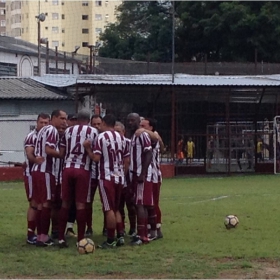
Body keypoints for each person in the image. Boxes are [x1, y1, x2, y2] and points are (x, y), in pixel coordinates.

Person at [84, 114, 130, 249]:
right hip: (119, 177)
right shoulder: (121, 138)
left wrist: (88, 149)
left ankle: (110, 239)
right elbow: (127, 160)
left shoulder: (101, 137)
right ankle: (120, 235)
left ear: (103, 123)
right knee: (116, 208)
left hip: (107, 177)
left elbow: (96, 158)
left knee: (108, 208)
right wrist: (122, 173)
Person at [58, 110, 98, 248]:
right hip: (83, 169)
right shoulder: (93, 132)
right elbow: (96, 153)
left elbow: (62, 153)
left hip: (67, 168)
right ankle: (80, 238)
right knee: (81, 204)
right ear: (88, 120)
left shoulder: (68, 131)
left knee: (65, 203)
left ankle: (60, 238)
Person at [32, 109, 67, 247]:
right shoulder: (51, 130)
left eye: (65, 118)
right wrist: (62, 154)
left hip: (37, 170)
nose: (64, 121)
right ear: (54, 118)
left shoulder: (43, 130)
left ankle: (40, 235)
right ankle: (43, 236)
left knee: (41, 204)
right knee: (47, 203)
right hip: (45, 170)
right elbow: (48, 150)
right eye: (62, 118)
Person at [126, 113, 153, 245]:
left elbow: (149, 153)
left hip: (139, 174)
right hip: (133, 174)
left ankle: (143, 236)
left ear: (138, 121)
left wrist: (143, 173)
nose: (130, 123)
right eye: (128, 121)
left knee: (140, 204)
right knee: (137, 204)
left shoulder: (142, 135)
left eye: (133, 120)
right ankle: (141, 233)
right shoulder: (133, 136)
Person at [23, 113, 50, 245]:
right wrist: (35, 160)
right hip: (32, 174)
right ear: (37, 123)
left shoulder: (48, 135)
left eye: (46, 123)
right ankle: (30, 234)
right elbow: (29, 153)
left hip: (43, 174)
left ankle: (41, 233)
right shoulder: (32, 136)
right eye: (41, 123)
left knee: (42, 203)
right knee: (34, 203)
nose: (44, 125)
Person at [139, 117, 164, 239]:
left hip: (153, 175)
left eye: (144, 126)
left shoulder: (152, 136)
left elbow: (156, 139)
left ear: (151, 127)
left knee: (152, 203)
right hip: (149, 175)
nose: (141, 128)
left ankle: (156, 229)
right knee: (147, 203)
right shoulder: (151, 136)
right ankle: (151, 228)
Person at [85, 114, 104, 237]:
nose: (97, 127)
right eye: (94, 124)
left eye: (99, 124)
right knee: (88, 202)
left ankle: (107, 227)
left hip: (104, 174)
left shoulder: (105, 137)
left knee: (106, 203)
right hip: (91, 174)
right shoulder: (88, 137)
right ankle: (89, 227)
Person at [114, 121, 131, 235]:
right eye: (114, 131)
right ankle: (121, 229)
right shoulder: (110, 142)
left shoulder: (128, 143)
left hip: (126, 177)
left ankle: (133, 228)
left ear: (124, 132)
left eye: (118, 131)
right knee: (118, 205)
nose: (116, 134)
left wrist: (124, 174)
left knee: (130, 205)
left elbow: (128, 161)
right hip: (115, 178)